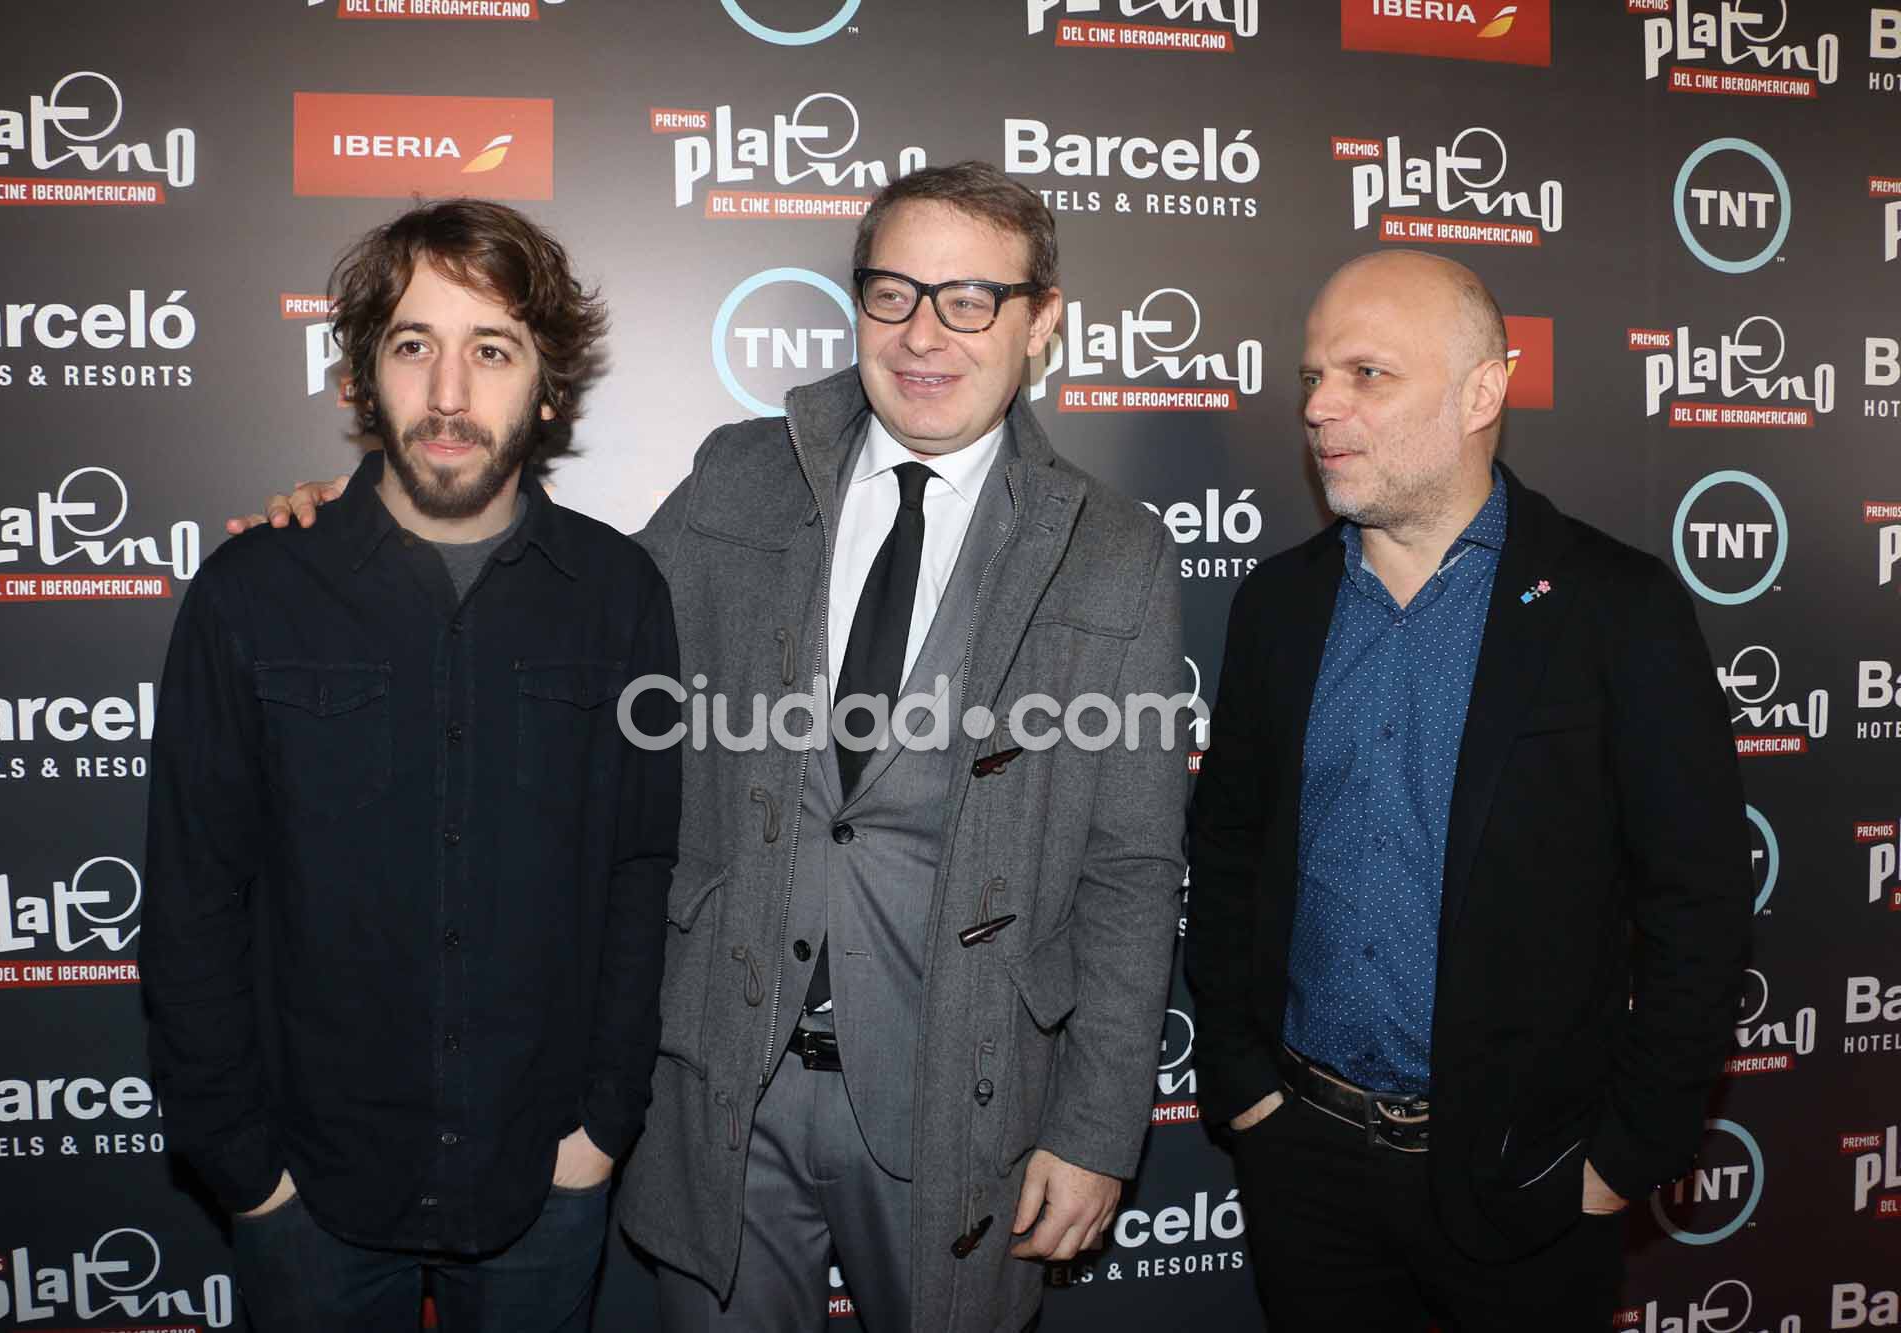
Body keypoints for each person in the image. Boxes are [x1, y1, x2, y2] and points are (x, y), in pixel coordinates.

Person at [243, 162, 1189, 1333]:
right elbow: (555, 616)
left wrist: (1094, 1130)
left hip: (966, 1095)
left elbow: (1131, 872)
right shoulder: (744, 471)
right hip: (725, 1086)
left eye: (968, 299)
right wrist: (376, 523)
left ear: (1039, 320)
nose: (921, 334)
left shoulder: (1113, 553)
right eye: (891, 293)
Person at [1184, 250, 1751, 1331]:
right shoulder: (1277, 607)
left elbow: (1699, 902)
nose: (1321, 408)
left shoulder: (1613, 608)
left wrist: (1623, 1156)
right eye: (1311, 377)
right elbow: (1227, 849)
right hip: (1304, 1167)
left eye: (1366, 373)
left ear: (1482, 390)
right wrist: (1244, 1086)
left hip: (1528, 1178)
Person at [143, 199, 680, 1332]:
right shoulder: (253, 593)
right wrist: (245, 1167)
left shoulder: (619, 593)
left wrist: (598, 1132)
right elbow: (194, 897)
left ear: (547, 387)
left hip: (543, 1180)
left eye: (491, 351)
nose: (448, 394)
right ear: (361, 379)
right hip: (308, 1192)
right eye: (412, 346)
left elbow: (641, 868)